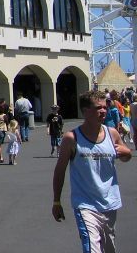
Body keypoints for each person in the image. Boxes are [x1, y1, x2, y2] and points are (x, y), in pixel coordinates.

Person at [52, 90, 131, 253]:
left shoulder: (112, 134)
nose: (103, 111)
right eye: (98, 108)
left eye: (105, 107)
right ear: (85, 111)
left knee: (109, 248)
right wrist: (56, 201)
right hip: (85, 204)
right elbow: (60, 170)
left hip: (110, 202)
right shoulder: (71, 138)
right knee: (92, 248)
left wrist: (127, 154)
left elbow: (125, 155)